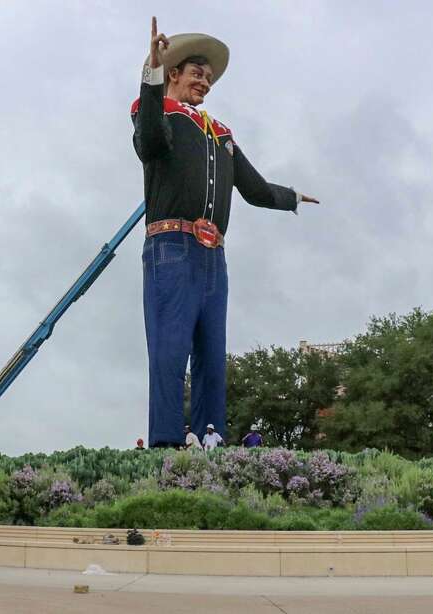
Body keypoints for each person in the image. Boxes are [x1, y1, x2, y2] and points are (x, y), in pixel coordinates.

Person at [133, 18, 319, 448]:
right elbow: (149, 144)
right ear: (173, 73)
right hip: (171, 246)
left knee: (212, 353)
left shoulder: (222, 135)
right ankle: (165, 441)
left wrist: (290, 197)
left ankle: (210, 437)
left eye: (210, 76)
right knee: (170, 348)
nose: (205, 81)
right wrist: (150, 76)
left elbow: (253, 189)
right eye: (197, 72)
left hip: (213, 252)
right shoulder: (158, 115)